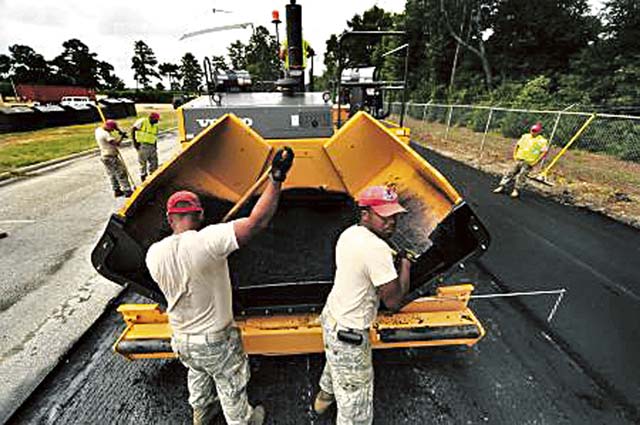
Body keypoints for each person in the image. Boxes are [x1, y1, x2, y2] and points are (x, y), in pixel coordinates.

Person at [146, 147, 295, 425]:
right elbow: (257, 222)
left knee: (198, 373)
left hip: (181, 339)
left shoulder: (153, 253)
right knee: (231, 385)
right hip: (214, 340)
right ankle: (243, 420)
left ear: (169, 219)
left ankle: (201, 414)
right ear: (200, 215)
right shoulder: (209, 241)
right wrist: (275, 178)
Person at [314, 185, 412, 424]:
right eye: (385, 217)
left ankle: (325, 397)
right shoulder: (376, 250)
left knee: (335, 362)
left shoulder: (349, 233)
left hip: (332, 317)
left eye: (395, 216)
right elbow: (394, 301)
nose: (392, 223)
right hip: (350, 332)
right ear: (365, 213)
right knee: (356, 404)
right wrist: (406, 266)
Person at [493, 122, 549, 198]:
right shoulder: (525, 136)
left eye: (535, 131)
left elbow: (544, 152)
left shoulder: (542, 141)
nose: (533, 132)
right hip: (519, 159)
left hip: (529, 162)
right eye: (532, 130)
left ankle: (516, 190)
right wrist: (514, 155)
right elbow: (517, 145)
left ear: (539, 132)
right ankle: (502, 186)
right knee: (510, 173)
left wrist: (535, 162)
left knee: (521, 176)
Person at [95, 119, 133, 198]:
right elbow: (117, 143)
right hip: (111, 156)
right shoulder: (106, 135)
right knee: (121, 172)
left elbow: (111, 128)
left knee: (112, 174)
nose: (112, 131)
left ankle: (117, 190)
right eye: (112, 129)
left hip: (104, 156)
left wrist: (118, 130)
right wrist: (122, 136)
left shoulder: (98, 130)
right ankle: (127, 190)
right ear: (108, 127)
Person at [132, 111, 160, 181]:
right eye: (156, 120)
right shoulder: (142, 121)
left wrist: (155, 146)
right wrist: (135, 142)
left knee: (154, 162)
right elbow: (133, 129)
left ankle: (153, 177)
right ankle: (143, 177)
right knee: (143, 163)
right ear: (151, 118)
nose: (157, 121)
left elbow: (154, 136)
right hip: (142, 145)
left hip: (152, 146)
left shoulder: (155, 125)